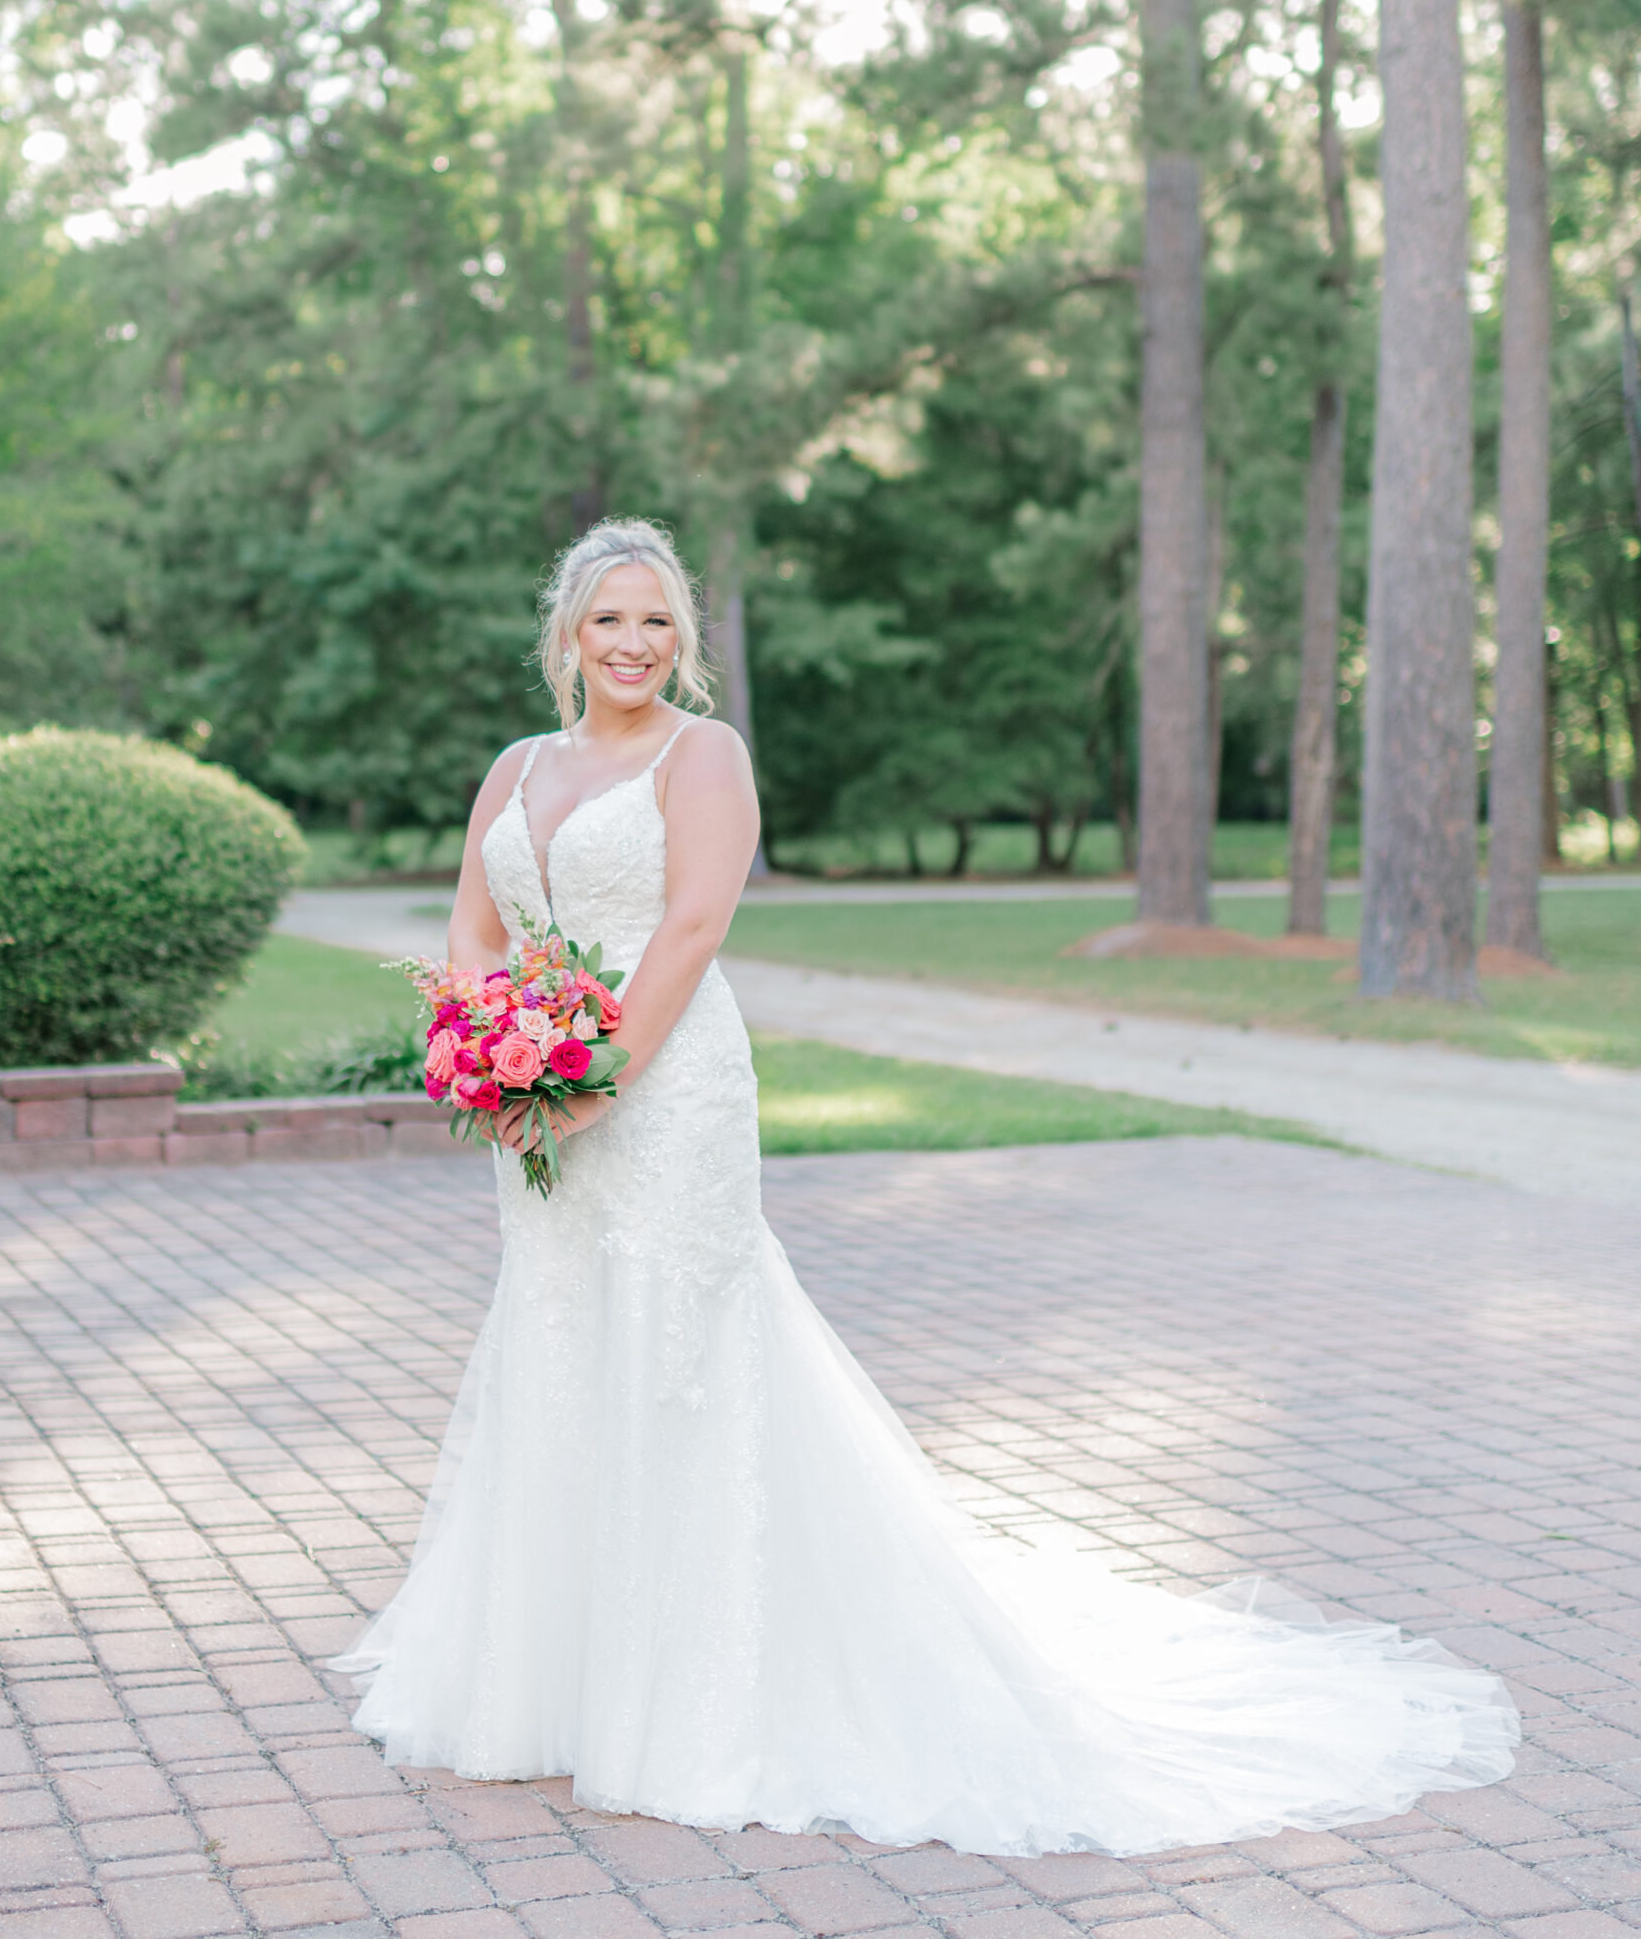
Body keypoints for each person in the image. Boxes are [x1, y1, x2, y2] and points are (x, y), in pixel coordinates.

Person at [330, 516, 1518, 1856]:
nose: (631, 643)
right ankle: (544, 1683)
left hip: (662, 1093)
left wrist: (600, 1068)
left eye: (656, 621)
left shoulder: (699, 757)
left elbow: (692, 925)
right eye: (609, 619)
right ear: (565, 635)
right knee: (558, 1341)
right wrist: (492, 1063)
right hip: (540, 1118)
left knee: (676, 1349)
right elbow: (475, 928)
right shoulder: (515, 769)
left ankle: (693, 1694)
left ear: (682, 641)